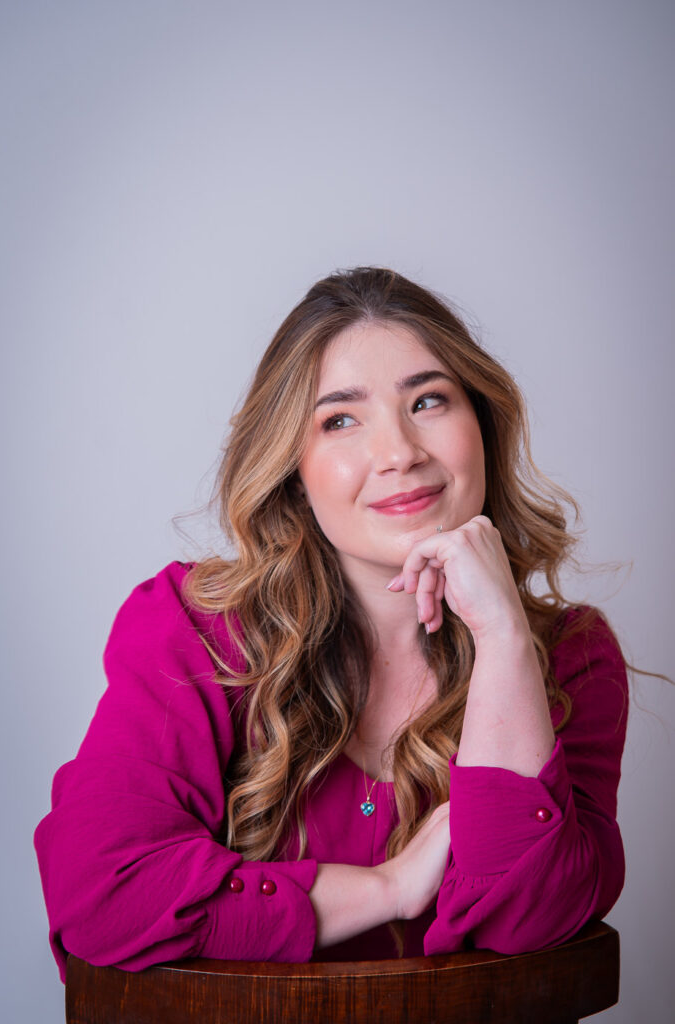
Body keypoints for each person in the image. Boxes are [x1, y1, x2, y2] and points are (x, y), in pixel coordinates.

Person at [35, 267, 628, 980]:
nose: (400, 453)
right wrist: (387, 889)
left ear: (482, 425)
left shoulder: (570, 657)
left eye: (429, 401)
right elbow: (103, 895)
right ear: (294, 467)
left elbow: (534, 914)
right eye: (340, 419)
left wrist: (502, 638)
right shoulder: (188, 630)